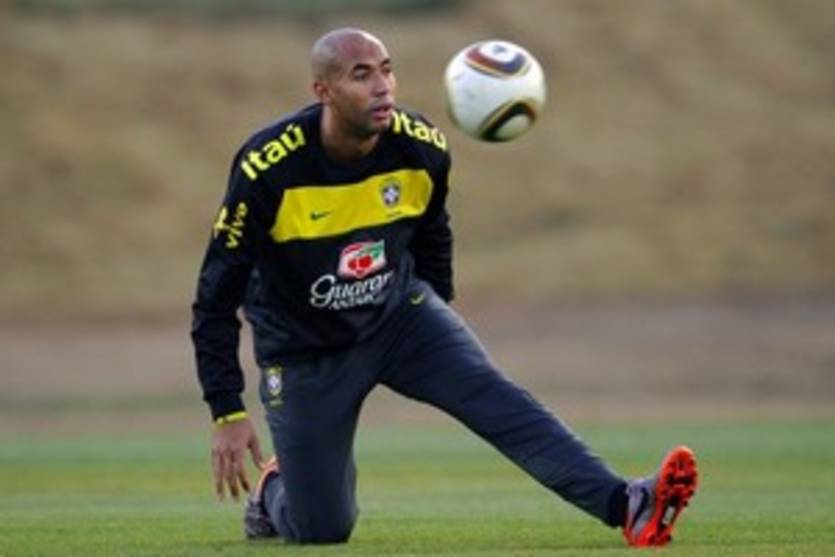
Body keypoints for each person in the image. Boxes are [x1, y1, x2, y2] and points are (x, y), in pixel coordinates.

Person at [190, 27, 698, 547]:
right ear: (324, 91)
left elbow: (433, 233)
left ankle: (628, 503)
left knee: (498, 400)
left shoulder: (420, 146)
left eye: (387, 69)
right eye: (361, 75)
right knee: (323, 528)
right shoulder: (267, 168)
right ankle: (275, 491)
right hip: (305, 351)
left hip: (399, 319)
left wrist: (435, 318)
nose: (382, 86)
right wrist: (227, 409)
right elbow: (214, 296)